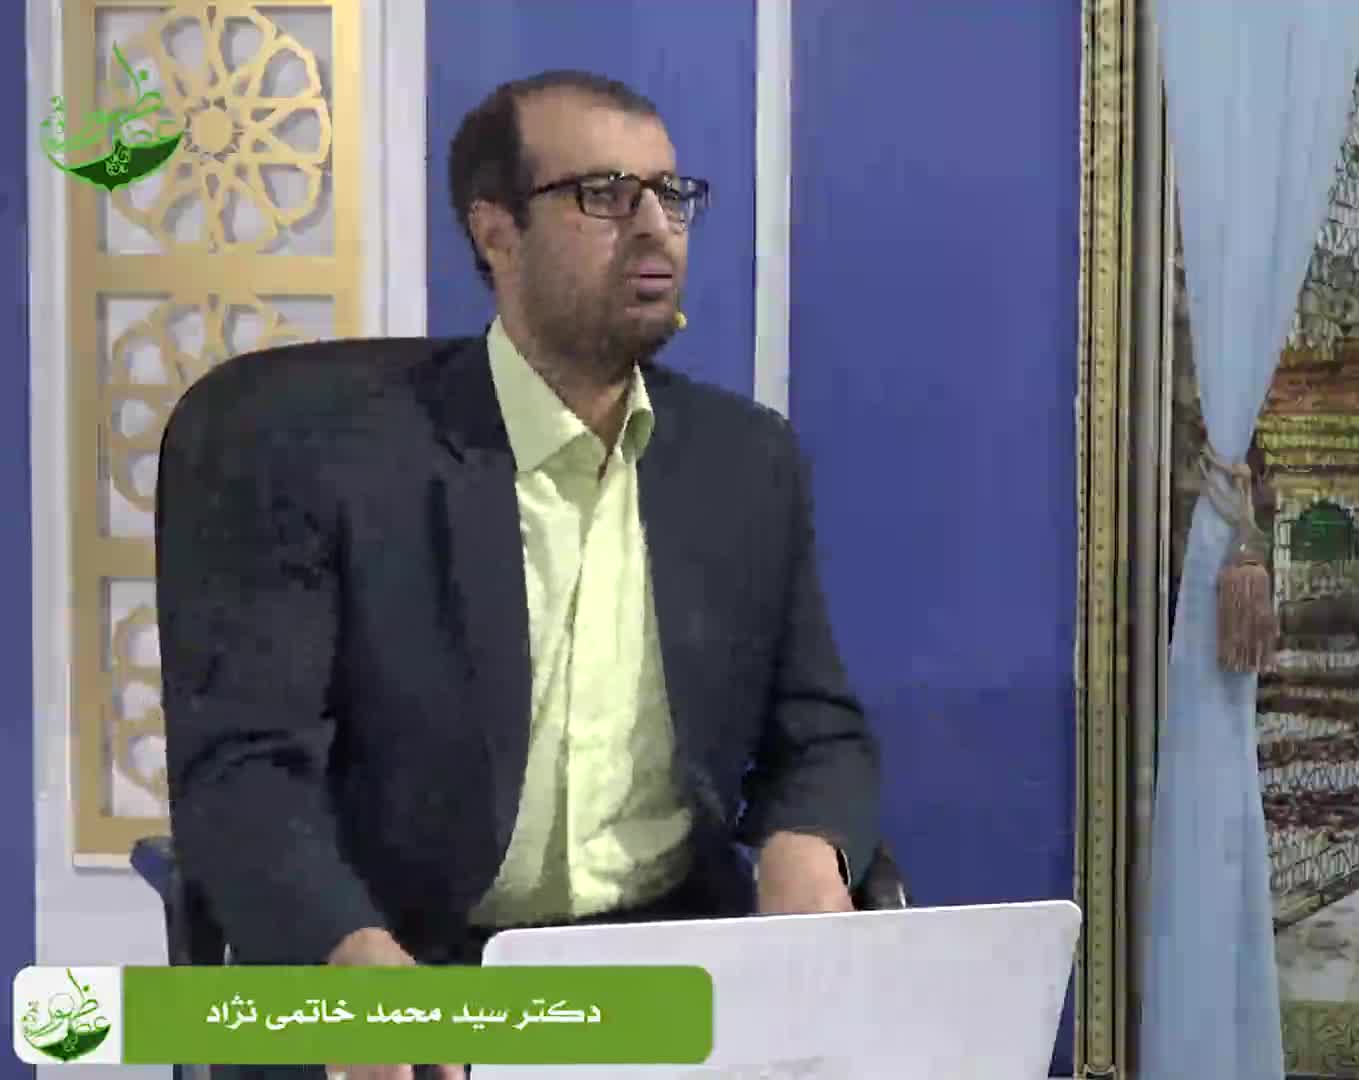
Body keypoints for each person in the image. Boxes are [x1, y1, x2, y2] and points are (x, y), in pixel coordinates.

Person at [156, 71, 881, 1080]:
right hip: (420, 969)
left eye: (671, 195)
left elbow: (820, 732)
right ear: (496, 232)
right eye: (604, 195)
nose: (655, 228)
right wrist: (347, 955)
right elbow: (243, 773)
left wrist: (809, 844)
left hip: (669, 972)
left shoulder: (745, 463)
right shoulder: (330, 461)